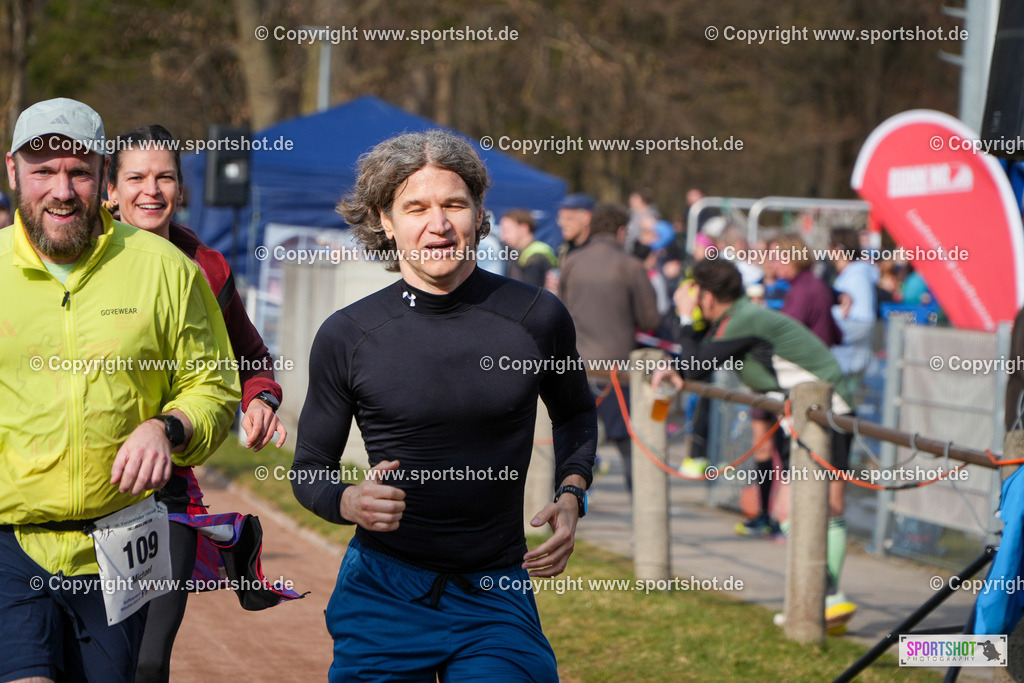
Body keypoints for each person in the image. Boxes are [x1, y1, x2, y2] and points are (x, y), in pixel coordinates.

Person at [291, 130, 596, 681]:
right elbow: (309, 471)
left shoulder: (536, 316)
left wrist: (572, 492)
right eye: (416, 207)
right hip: (383, 592)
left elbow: (575, 412)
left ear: (479, 213)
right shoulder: (348, 334)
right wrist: (349, 501)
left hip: (495, 593)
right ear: (386, 220)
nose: (439, 223)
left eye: (454, 204)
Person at [0, 97, 239, 682]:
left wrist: (168, 427)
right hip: (9, 544)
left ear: (102, 177)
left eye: (79, 172)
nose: (61, 189)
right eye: (43, 172)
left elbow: (213, 386)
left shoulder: (166, 270)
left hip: (122, 545)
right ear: (12, 172)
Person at [106, 124, 294, 683]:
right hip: (87, 488)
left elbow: (252, 354)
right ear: (109, 190)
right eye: (135, 177)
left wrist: (259, 400)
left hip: (169, 490)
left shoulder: (207, 267)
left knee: (147, 662)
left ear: (182, 190)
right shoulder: (82, 260)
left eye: (165, 177)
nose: (152, 190)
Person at [654, 258, 858, 632]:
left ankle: (823, 599)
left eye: (694, 293)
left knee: (813, 506)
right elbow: (696, 361)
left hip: (827, 413)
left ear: (709, 296)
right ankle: (823, 600)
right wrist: (683, 345)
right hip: (805, 412)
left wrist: (685, 319)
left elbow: (695, 366)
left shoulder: (744, 319)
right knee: (799, 508)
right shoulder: (737, 318)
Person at [559, 200, 661, 493]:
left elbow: (561, 311)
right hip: (617, 371)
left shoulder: (572, 261)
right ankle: (642, 515)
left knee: (573, 443)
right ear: (620, 231)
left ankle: (564, 507)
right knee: (629, 443)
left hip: (576, 367)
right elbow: (650, 318)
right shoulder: (630, 266)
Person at [499, 208, 557, 288]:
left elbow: (530, 294)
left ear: (524, 228)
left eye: (507, 230)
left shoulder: (536, 257)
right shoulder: (520, 253)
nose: (503, 237)